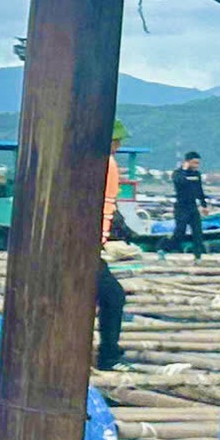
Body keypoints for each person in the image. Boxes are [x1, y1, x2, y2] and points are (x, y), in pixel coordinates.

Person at [98, 121, 130, 371]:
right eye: (116, 141)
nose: (118, 146)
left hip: (88, 247)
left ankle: (108, 353)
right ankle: (109, 356)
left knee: (109, 297)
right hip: (86, 249)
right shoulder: (106, 164)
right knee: (113, 297)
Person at [174, 150, 209, 259]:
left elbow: (199, 191)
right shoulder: (178, 173)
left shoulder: (197, 174)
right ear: (187, 162)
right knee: (180, 232)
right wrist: (184, 170)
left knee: (197, 232)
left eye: (198, 163)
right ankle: (163, 247)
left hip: (193, 207)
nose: (196, 166)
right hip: (181, 207)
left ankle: (198, 256)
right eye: (194, 163)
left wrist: (204, 205)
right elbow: (180, 182)